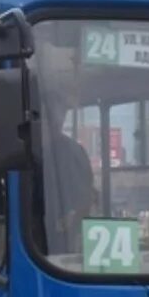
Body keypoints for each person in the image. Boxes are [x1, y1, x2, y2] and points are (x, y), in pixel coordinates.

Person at [37, 90, 95, 254]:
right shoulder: (30, 148)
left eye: (59, 114)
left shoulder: (73, 152)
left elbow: (85, 196)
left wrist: (68, 220)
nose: (56, 120)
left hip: (60, 235)